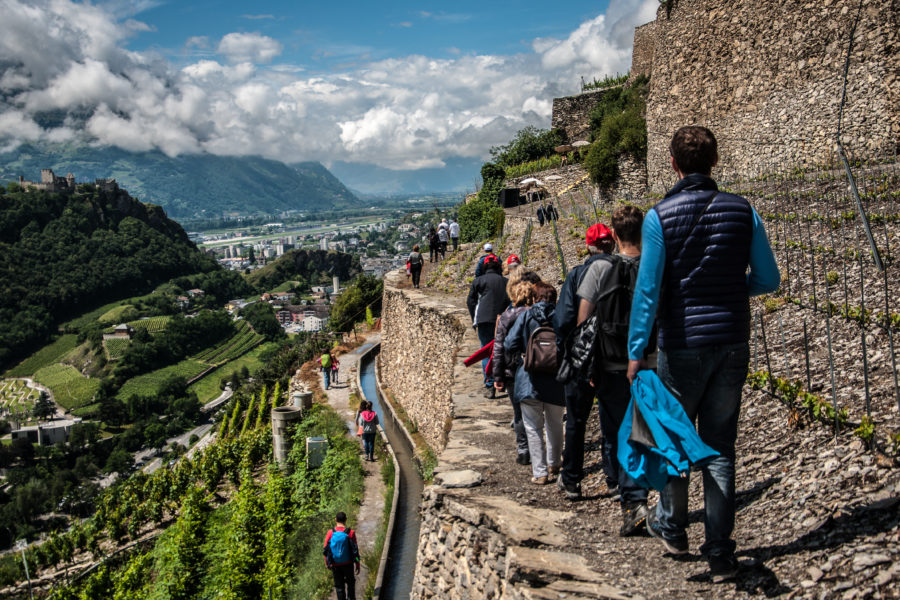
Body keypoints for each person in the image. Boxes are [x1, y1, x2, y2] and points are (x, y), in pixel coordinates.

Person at [627, 126, 779, 581]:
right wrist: (732, 293)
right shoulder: (743, 209)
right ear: (715, 162)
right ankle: (720, 552)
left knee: (674, 439)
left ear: (673, 164)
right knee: (719, 447)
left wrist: (636, 352)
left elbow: (649, 292)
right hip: (733, 341)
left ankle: (673, 529)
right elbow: (768, 279)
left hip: (682, 345)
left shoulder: (659, 217)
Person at [575, 207, 653, 536]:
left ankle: (632, 501)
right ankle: (648, 496)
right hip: (650, 363)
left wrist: (587, 366)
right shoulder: (654, 266)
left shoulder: (598, 270)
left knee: (618, 432)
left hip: (610, 365)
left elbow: (583, 324)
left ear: (614, 234)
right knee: (645, 433)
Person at [553, 222, 615, 501]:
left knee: (576, 421)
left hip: (582, 356)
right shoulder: (624, 269)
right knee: (613, 420)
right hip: (616, 355)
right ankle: (615, 481)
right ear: (610, 244)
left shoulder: (577, 275)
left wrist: (567, 349)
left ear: (588, 247)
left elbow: (564, 319)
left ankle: (572, 480)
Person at [504, 282, 565, 485]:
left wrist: (523, 354)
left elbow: (509, 343)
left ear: (534, 297)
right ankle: (554, 463)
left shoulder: (526, 315)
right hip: (556, 378)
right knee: (555, 424)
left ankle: (540, 473)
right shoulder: (561, 316)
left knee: (532, 427)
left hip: (528, 377)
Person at [493, 280, 537, 465]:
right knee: (537, 413)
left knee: (519, 413)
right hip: (538, 367)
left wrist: (497, 376)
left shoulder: (507, 316)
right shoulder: (539, 315)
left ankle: (524, 450)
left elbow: (499, 347)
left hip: (513, 369)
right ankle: (540, 451)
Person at [466, 255, 509, 398]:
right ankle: (502, 381)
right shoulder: (505, 282)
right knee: (502, 350)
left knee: (486, 351)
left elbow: (470, 302)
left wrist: (474, 319)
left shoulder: (478, 281)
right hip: (503, 320)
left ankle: (490, 384)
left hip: (484, 319)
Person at [323, 511, 361, 600]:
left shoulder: (330, 533)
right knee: (351, 585)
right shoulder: (350, 532)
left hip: (335, 565)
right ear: (346, 520)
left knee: (339, 588)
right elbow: (355, 550)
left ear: (335, 520)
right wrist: (357, 564)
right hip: (348, 563)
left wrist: (327, 563)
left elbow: (325, 550)